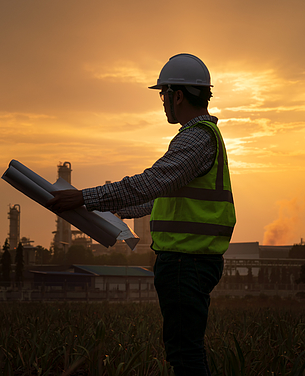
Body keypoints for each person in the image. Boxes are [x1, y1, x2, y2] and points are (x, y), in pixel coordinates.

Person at [46, 53, 236, 376]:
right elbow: (161, 197)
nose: (162, 103)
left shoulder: (196, 138)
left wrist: (84, 197)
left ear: (178, 96)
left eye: (163, 95)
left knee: (185, 354)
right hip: (188, 261)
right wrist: (111, 210)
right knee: (185, 351)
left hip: (185, 263)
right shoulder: (203, 137)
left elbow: (150, 183)